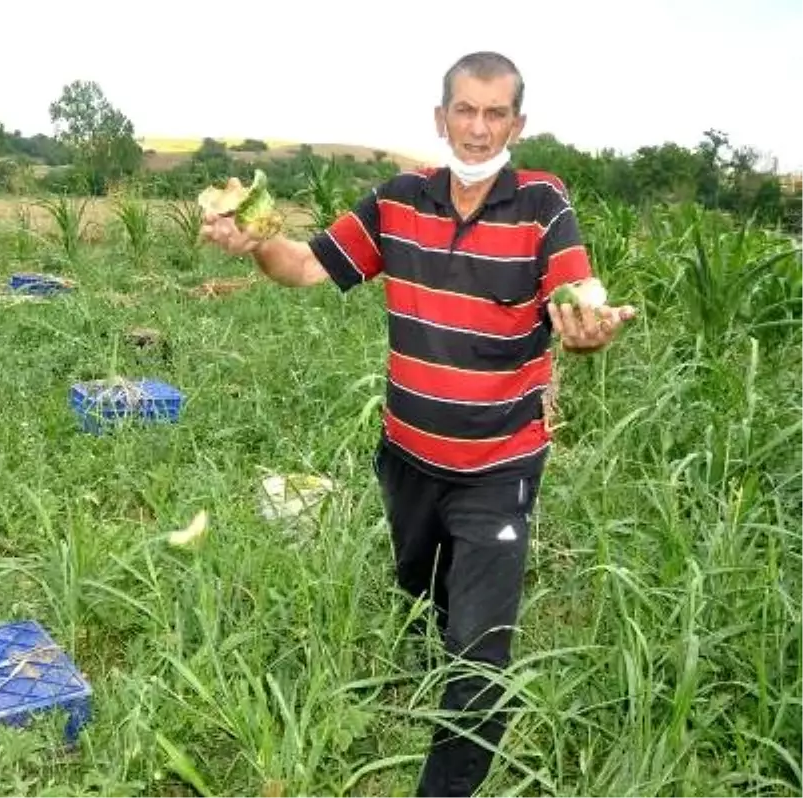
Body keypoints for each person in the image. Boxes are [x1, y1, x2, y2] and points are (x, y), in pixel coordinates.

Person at [200, 51, 637, 797]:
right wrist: (260, 243)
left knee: (479, 649)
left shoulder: (543, 203)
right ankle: (435, 638)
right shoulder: (398, 200)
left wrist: (587, 329)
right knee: (422, 586)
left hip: (501, 462)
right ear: (441, 117)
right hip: (407, 453)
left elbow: (574, 298)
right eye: (464, 110)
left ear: (517, 123)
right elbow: (308, 266)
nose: (477, 128)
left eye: (495, 113)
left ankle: (448, 782)